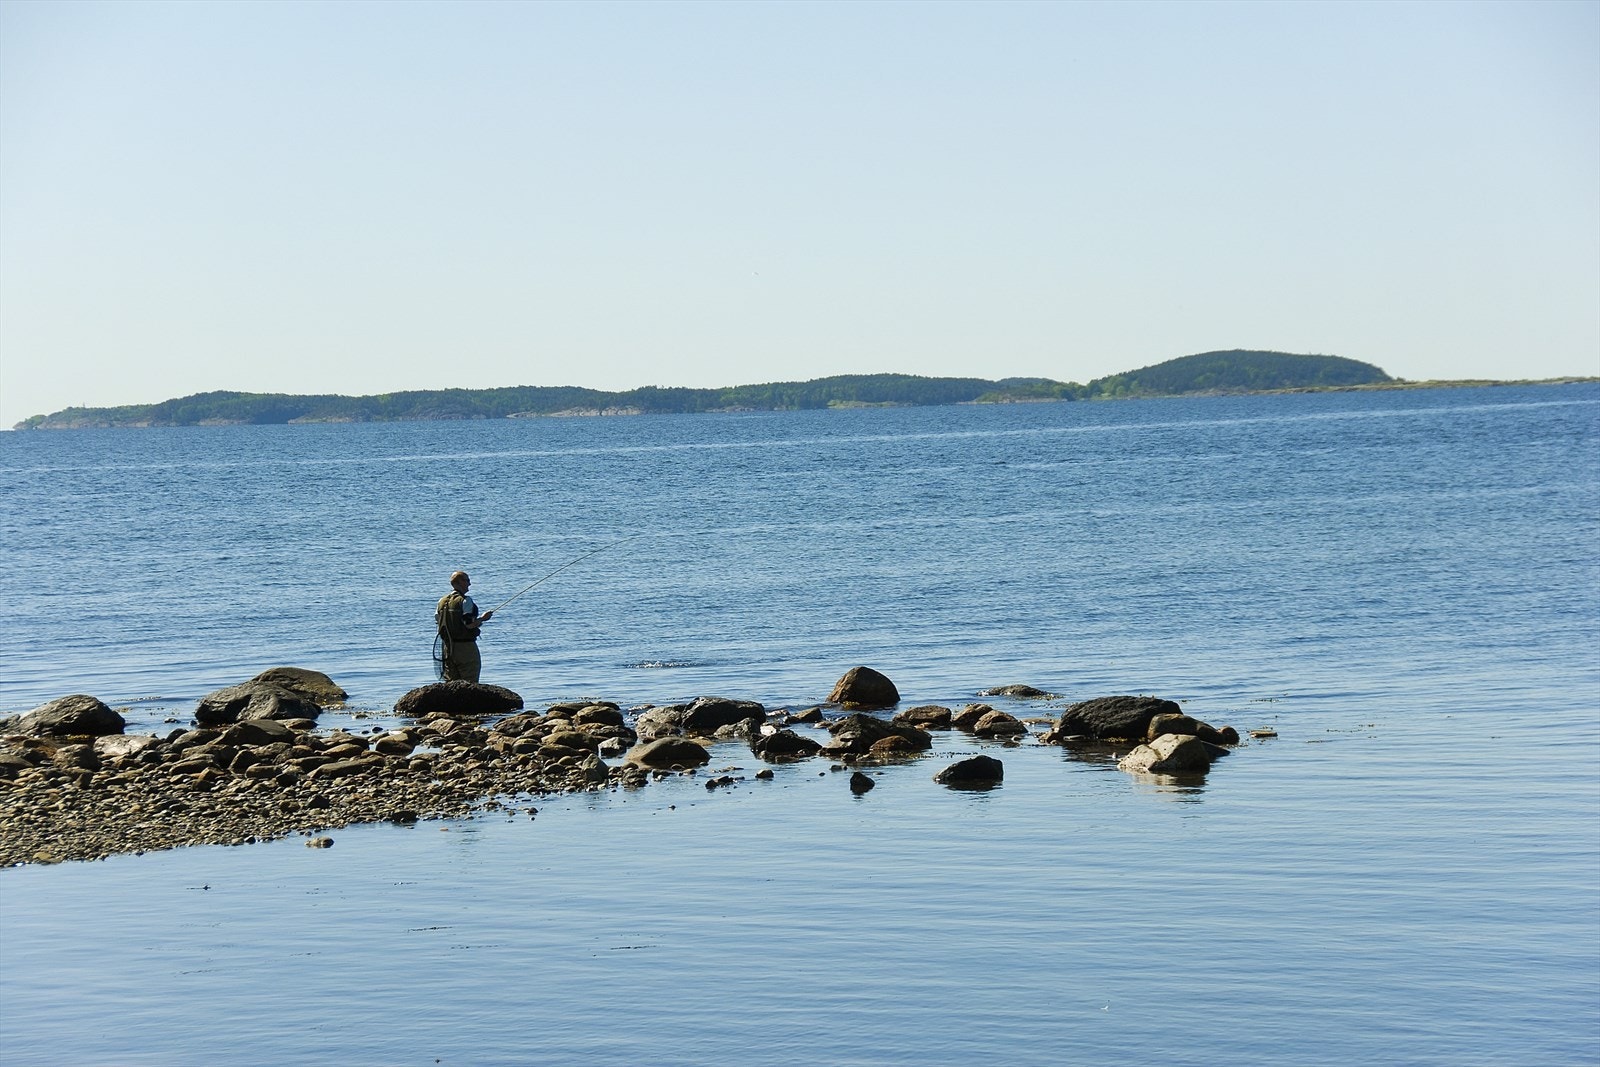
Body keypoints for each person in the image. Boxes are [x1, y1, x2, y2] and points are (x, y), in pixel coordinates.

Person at [435, 571, 493, 682]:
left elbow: (438, 620)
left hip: (448, 648)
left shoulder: (441, 601)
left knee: (452, 683)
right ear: (460, 582)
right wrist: (483, 618)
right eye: (467, 580)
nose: (469, 584)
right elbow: (469, 625)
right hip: (466, 648)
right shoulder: (466, 600)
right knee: (470, 682)